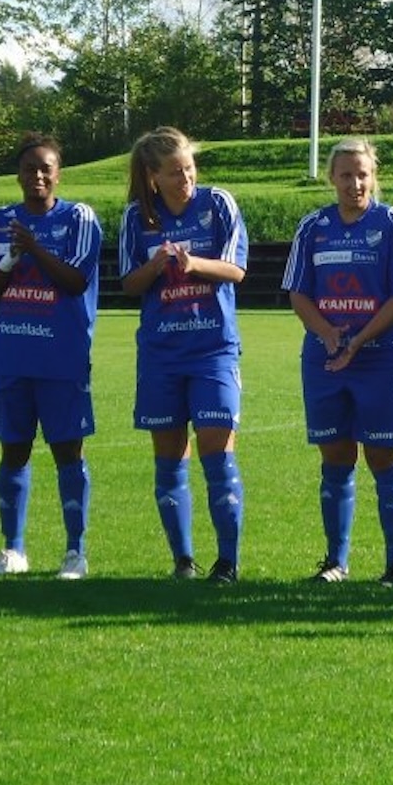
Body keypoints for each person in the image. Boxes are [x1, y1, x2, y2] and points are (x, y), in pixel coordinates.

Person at [282, 138, 393, 586]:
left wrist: (359, 340)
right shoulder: (313, 227)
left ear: (374, 176)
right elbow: (298, 292)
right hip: (325, 360)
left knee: (384, 456)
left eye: (362, 174)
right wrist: (327, 334)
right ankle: (336, 561)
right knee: (336, 456)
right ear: (331, 178)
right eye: (346, 175)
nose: (355, 183)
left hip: (381, 359)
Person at [120, 127, 248, 584]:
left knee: (217, 453)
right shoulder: (137, 217)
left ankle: (227, 563)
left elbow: (236, 269)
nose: (186, 179)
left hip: (213, 350)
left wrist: (194, 264)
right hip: (161, 354)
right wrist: (155, 266)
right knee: (170, 459)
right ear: (153, 176)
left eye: (190, 169)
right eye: (175, 172)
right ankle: (183, 561)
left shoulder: (218, 204)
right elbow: (128, 284)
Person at [0, 135, 102, 580]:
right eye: (30, 168)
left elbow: (76, 281)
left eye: (46, 168)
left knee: (68, 450)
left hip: (61, 354)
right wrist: (9, 261)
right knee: (14, 450)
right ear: (19, 175)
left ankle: (75, 552)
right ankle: (13, 549)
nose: (38, 176)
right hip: (10, 353)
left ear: (58, 174)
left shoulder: (79, 218)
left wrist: (34, 249)